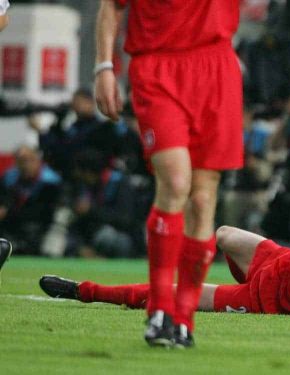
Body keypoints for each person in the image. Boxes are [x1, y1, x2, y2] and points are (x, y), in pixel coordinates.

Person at [40, 119, 290, 323]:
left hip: (265, 299)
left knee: (173, 294)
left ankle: (84, 291)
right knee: (223, 234)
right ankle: (236, 277)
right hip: (283, 261)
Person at [94, 0, 244, 347]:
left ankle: (183, 318)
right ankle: (160, 309)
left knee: (203, 197)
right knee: (176, 182)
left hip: (216, 66)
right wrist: (104, 66)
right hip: (156, 66)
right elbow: (112, 6)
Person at [0, 146, 62, 254]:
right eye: (21, 161)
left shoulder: (50, 181)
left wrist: (8, 212)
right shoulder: (9, 178)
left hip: (41, 224)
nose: (26, 165)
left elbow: (45, 212)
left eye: (30, 160)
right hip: (12, 222)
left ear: (38, 161)